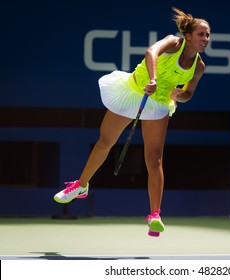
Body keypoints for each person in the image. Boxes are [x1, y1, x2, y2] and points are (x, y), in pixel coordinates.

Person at [53, 7, 211, 237]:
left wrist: (180, 96)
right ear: (188, 36)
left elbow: (189, 93)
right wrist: (154, 78)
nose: (205, 39)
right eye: (201, 34)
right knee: (105, 142)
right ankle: (81, 185)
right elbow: (151, 52)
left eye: (207, 35)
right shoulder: (173, 43)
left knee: (154, 158)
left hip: (157, 105)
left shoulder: (199, 66)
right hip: (133, 91)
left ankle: (155, 214)